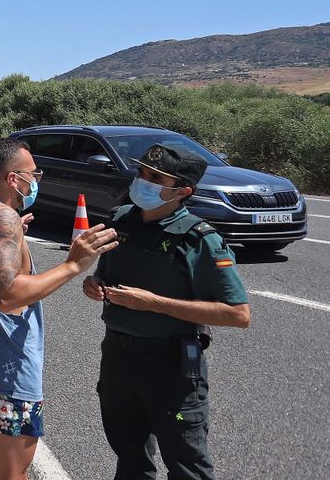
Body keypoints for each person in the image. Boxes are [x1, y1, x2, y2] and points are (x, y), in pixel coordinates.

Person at [0, 139, 120, 480]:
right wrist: (73, 265)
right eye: (33, 174)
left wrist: (9, 240)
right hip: (3, 370)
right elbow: (8, 296)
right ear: (12, 179)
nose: (36, 180)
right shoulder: (1, 216)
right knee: (12, 471)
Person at [83, 143, 250, 480]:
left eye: (155, 177)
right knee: (129, 456)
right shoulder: (121, 219)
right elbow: (106, 273)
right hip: (118, 361)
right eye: (141, 172)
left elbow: (237, 314)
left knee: (186, 460)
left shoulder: (198, 238)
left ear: (182, 191)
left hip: (170, 372)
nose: (141, 180)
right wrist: (95, 283)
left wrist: (154, 303)